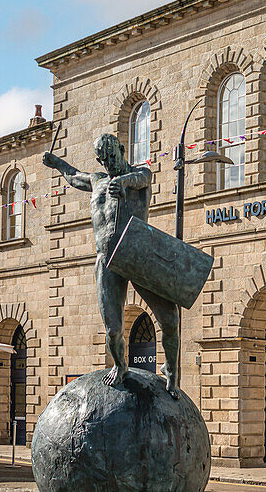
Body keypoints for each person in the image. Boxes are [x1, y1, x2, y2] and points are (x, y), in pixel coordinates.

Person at [43, 134, 181, 393]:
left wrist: (124, 183)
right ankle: (121, 365)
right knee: (113, 328)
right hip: (106, 259)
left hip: (137, 253)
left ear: (122, 149)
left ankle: (171, 370)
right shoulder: (97, 180)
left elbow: (142, 178)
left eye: (112, 157)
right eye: (103, 160)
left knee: (170, 319)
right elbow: (74, 176)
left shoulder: (140, 175)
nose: (108, 164)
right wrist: (57, 163)